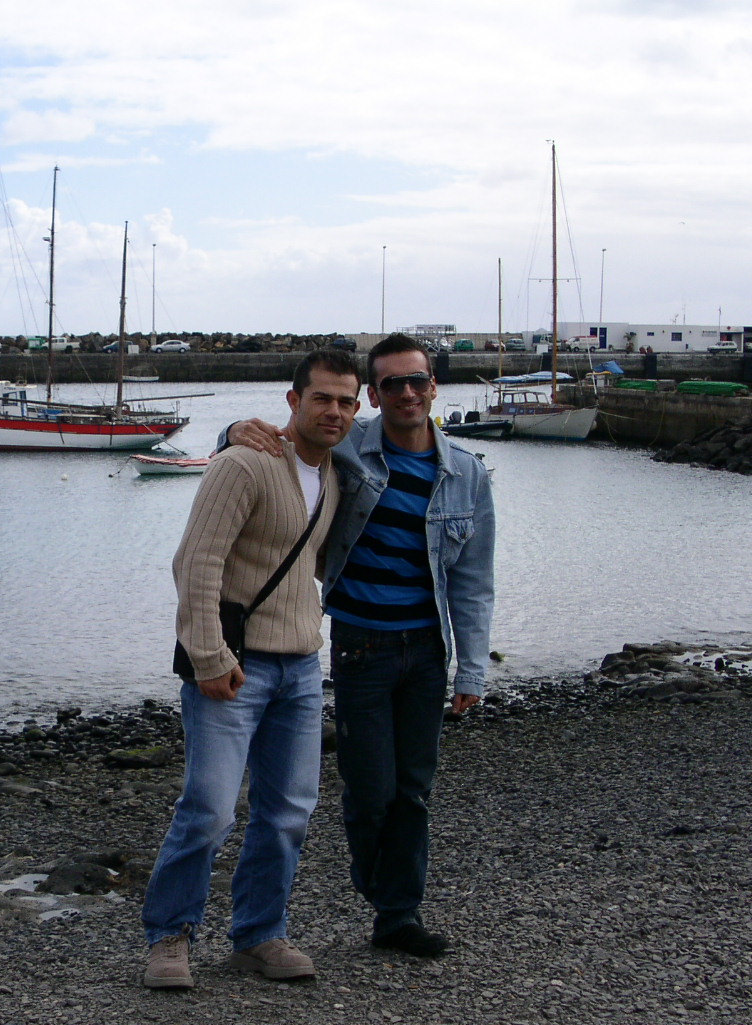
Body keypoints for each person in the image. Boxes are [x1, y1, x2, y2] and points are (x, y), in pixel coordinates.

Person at [220, 332, 494, 958]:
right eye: (392, 383)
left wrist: (471, 671)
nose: (406, 392)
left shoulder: (467, 474)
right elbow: (272, 445)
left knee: (413, 789)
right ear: (374, 394)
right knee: (370, 791)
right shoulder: (349, 446)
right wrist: (233, 429)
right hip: (361, 647)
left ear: (434, 387)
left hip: (427, 651)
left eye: (417, 380)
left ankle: (398, 915)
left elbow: (474, 583)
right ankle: (379, 887)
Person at [142, 350, 360, 989]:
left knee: (288, 812)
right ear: (293, 401)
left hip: (301, 668)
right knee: (209, 808)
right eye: (322, 398)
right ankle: (169, 937)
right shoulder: (244, 463)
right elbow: (195, 563)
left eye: (347, 401)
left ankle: (260, 934)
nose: (335, 411)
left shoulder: (340, 472)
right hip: (235, 666)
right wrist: (209, 656)